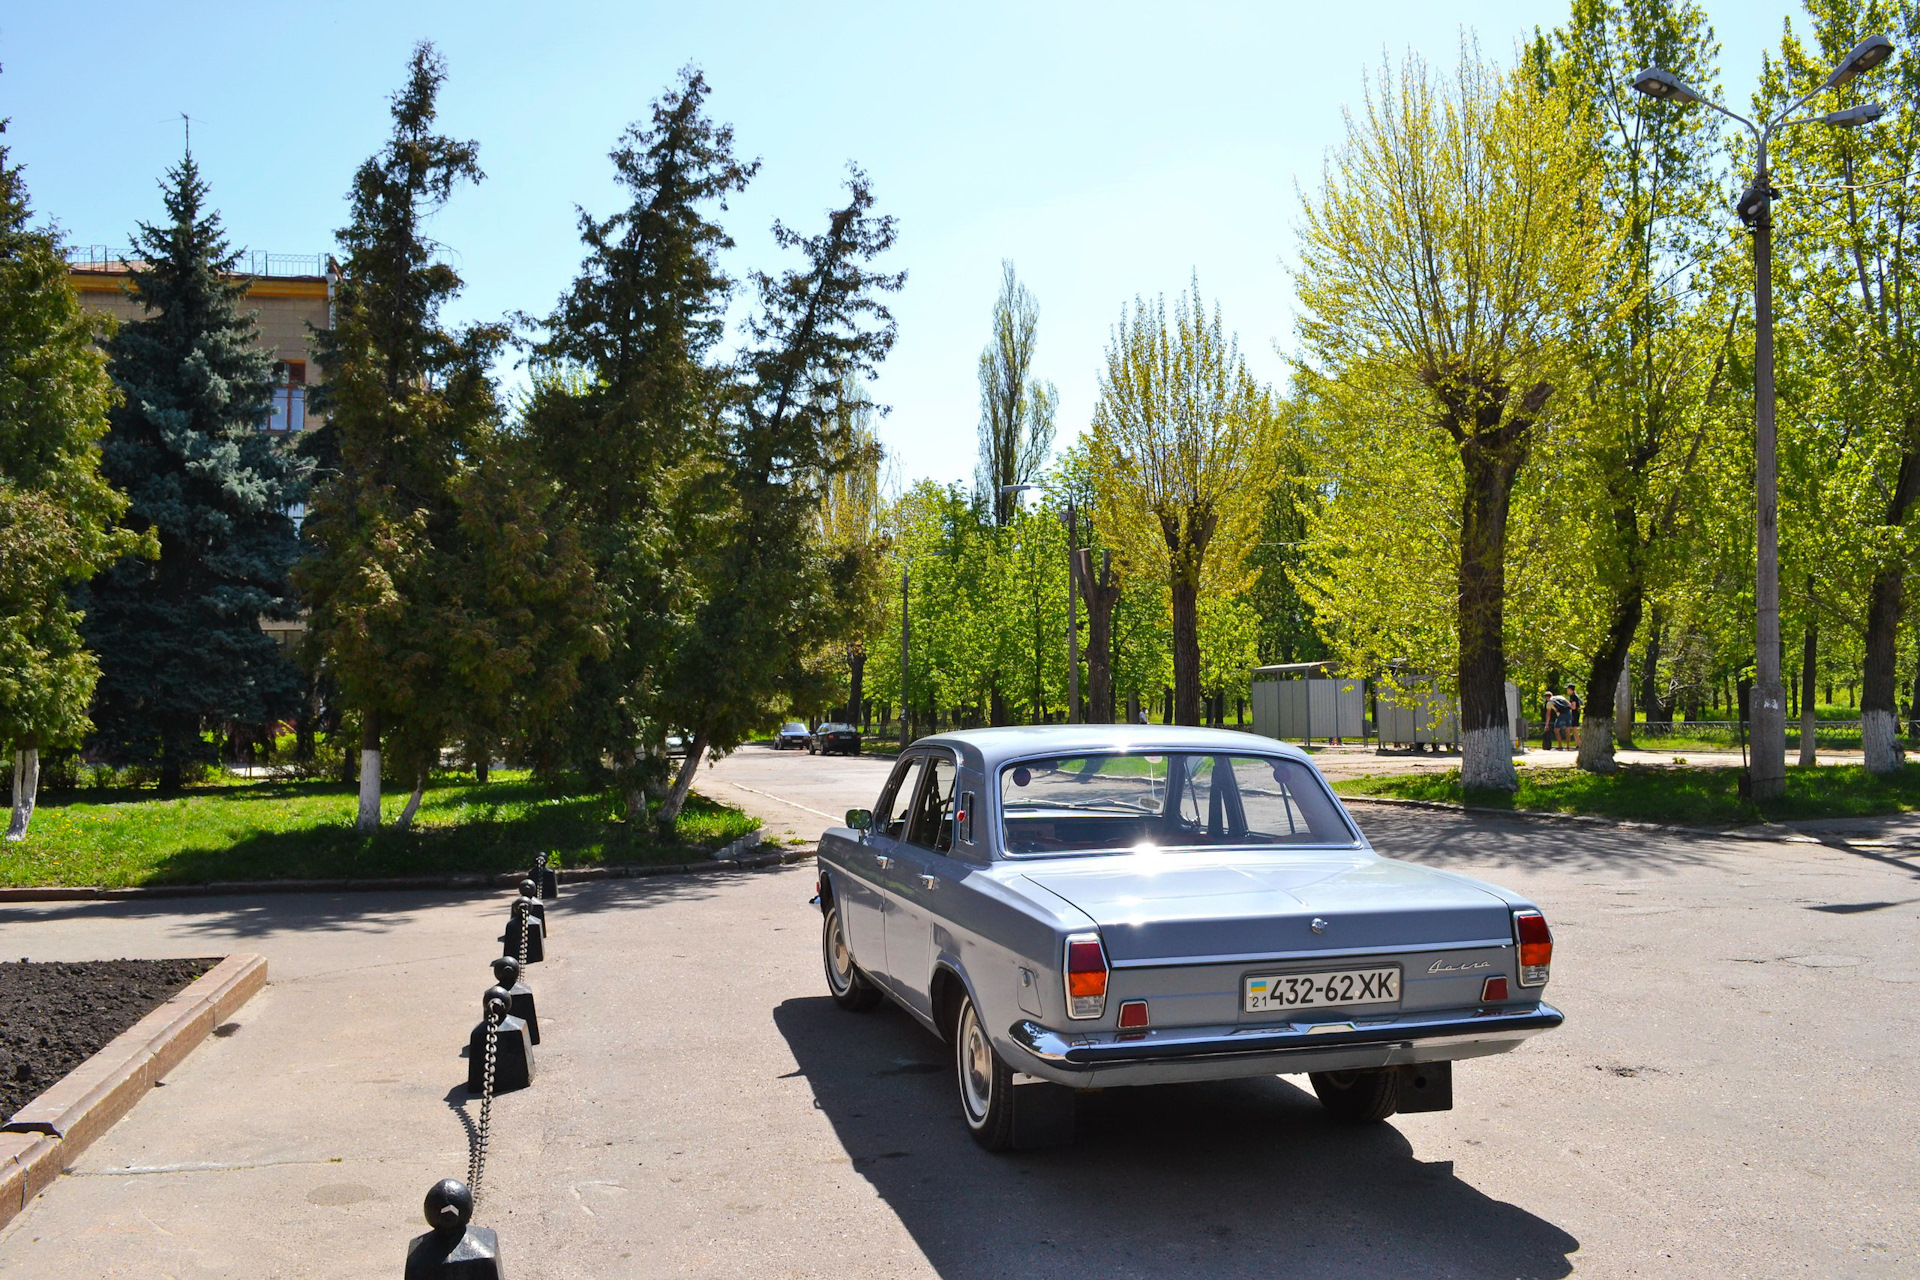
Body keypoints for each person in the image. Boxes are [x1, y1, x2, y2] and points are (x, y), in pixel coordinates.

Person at [1565, 685, 1583, 749]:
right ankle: (1578, 743)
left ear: (1570, 689)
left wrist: (1567, 704)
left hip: (1575, 714)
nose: (1567, 690)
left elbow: (1573, 707)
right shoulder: (1574, 696)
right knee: (1574, 729)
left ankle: (1580, 744)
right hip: (1575, 713)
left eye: (1567, 689)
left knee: (1575, 729)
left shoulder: (1573, 696)